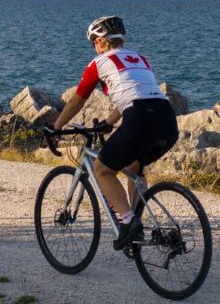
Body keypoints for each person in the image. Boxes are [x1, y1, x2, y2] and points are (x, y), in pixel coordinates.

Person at [49, 15, 178, 250]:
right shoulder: (140, 59)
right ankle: (137, 220)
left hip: (140, 117)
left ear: (100, 41)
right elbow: (135, 92)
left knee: (101, 170)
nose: (94, 48)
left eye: (93, 43)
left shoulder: (98, 64)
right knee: (134, 168)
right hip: (167, 119)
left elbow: (77, 101)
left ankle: (129, 223)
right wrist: (109, 122)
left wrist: (56, 127)